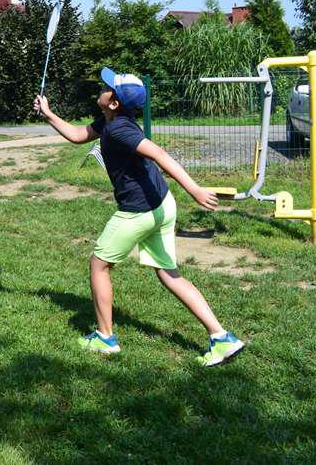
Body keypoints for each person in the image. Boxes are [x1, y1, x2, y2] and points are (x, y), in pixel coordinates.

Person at [34, 68, 244, 366]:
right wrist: (48, 114)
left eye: (107, 88)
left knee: (98, 264)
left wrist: (195, 189)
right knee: (169, 274)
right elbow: (79, 135)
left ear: (114, 103)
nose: (102, 88)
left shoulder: (121, 129)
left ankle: (105, 338)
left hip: (139, 211)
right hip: (162, 204)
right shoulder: (109, 121)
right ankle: (221, 337)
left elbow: (159, 153)